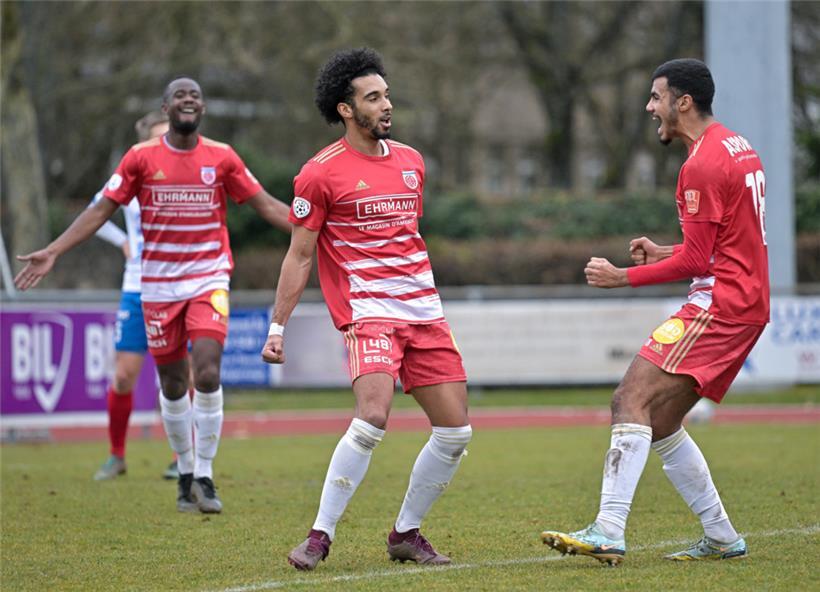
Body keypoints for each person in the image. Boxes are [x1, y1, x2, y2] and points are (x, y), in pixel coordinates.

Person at [15, 77, 291, 513]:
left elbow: (268, 206)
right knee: (173, 383)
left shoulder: (222, 157)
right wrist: (53, 251)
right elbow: (99, 210)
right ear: (166, 107)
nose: (188, 100)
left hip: (208, 279)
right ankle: (183, 473)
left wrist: (318, 230)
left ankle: (205, 474)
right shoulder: (140, 158)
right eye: (180, 95)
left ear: (202, 109)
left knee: (207, 370)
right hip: (157, 286)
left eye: (196, 95)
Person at [540, 58, 769, 565]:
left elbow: (699, 261)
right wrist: (665, 251)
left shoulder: (702, 163)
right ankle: (722, 536)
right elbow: (718, 245)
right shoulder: (737, 146)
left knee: (629, 399)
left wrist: (621, 276)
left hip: (721, 303)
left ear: (682, 102)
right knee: (661, 420)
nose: (650, 107)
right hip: (744, 299)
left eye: (655, 97)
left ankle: (608, 529)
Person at [261, 48, 472, 571]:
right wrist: (276, 327)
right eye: (372, 97)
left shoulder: (412, 162)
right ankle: (318, 536)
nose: (386, 105)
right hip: (368, 311)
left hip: (424, 312)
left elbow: (406, 238)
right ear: (346, 109)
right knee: (373, 415)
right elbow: (300, 254)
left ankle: (405, 533)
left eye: (386, 94)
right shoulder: (318, 174)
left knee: (455, 433)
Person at [91, 110, 171, 481]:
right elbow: (95, 209)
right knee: (123, 376)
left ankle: (181, 458)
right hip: (136, 289)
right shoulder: (130, 178)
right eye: (157, 137)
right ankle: (116, 455)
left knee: (177, 379)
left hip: (177, 287)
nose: (165, 144)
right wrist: (122, 240)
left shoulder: (186, 176)